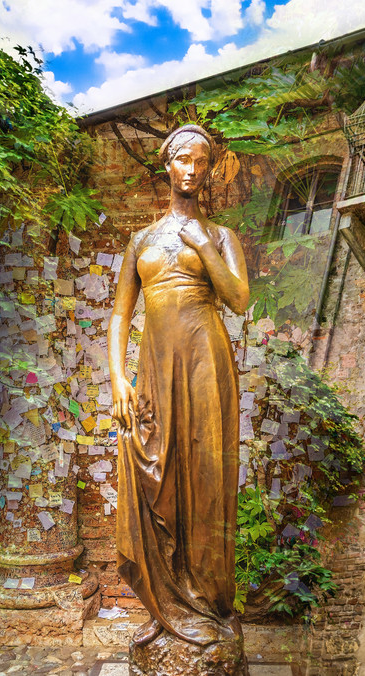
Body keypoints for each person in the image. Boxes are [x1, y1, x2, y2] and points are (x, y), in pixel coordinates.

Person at [107, 124, 250, 649]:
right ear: (167, 165)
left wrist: (203, 249)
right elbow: (121, 315)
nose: (193, 170)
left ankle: (209, 604)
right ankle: (164, 604)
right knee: (152, 471)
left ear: (209, 172)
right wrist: (119, 376)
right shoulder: (140, 240)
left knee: (206, 477)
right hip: (155, 365)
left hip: (205, 361)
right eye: (184, 160)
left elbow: (238, 299)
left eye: (202, 163)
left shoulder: (220, 236)